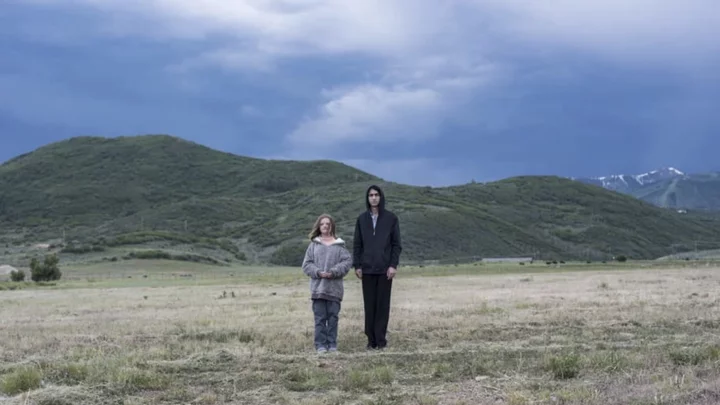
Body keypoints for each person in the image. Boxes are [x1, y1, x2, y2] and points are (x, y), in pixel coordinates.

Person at [352, 185, 402, 350]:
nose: (373, 198)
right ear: (367, 198)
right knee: (369, 306)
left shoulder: (391, 219)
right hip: (367, 270)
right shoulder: (361, 219)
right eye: (370, 195)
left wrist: (393, 265)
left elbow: (396, 245)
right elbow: (357, 244)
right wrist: (357, 265)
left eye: (376, 195)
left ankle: (381, 340)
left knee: (382, 305)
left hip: (384, 270)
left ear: (381, 197)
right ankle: (371, 340)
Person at [302, 214, 352, 354]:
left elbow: (347, 262)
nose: (325, 226)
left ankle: (332, 345)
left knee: (333, 318)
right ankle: (320, 345)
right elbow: (306, 265)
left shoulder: (340, 245)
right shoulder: (314, 245)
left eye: (328, 224)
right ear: (319, 226)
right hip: (318, 289)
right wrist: (318, 272)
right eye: (322, 223)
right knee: (320, 319)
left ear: (332, 226)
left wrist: (334, 272)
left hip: (334, 290)